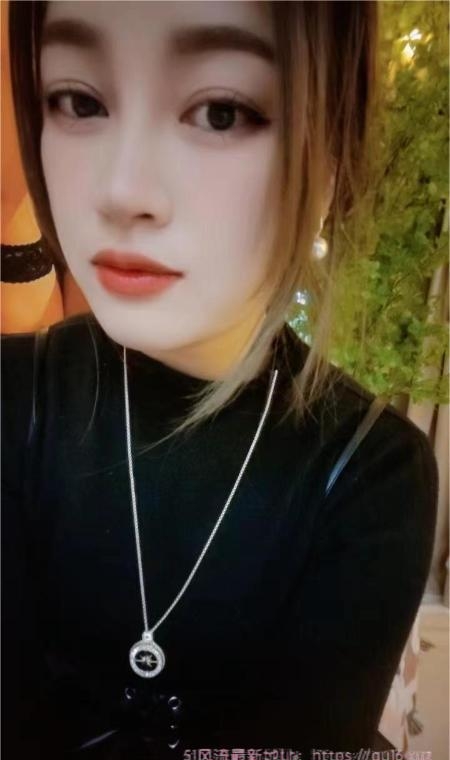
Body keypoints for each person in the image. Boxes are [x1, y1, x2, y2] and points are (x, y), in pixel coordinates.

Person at [2, 2, 438, 758]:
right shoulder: (16, 404)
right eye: (79, 100)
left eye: (221, 112)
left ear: (331, 153)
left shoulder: (369, 473)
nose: (122, 191)